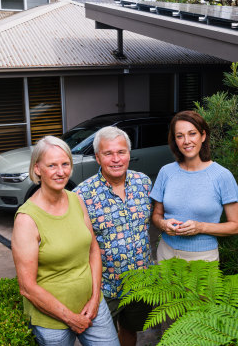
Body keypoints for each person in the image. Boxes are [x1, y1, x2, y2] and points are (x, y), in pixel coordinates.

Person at [11, 136, 120, 346]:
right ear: (37, 169)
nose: (60, 172)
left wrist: (96, 298)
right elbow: (27, 286)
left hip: (92, 305)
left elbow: (93, 250)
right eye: (52, 165)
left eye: (65, 164)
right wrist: (71, 318)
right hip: (52, 319)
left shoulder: (76, 199)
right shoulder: (27, 219)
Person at [74, 126, 153, 346]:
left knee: (130, 331)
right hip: (103, 288)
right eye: (108, 154)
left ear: (129, 153)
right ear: (98, 157)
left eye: (121, 152)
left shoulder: (144, 183)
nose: (116, 159)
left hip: (140, 282)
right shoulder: (81, 195)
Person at [151, 110, 238, 262]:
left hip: (203, 259)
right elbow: (156, 215)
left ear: (203, 136)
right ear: (175, 141)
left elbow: (236, 226)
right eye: (180, 136)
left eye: (192, 133)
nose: (186, 141)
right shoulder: (166, 172)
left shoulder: (221, 175)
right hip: (165, 254)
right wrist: (163, 224)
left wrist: (200, 227)